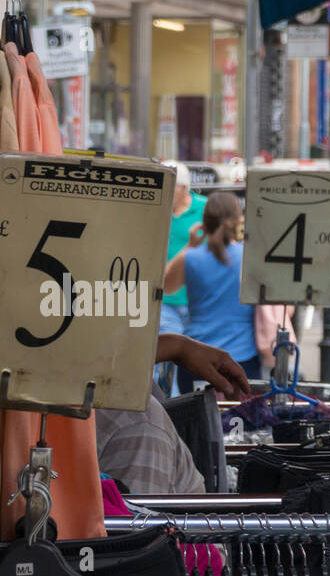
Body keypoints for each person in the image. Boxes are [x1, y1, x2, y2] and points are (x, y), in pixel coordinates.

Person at [96, 334, 252, 495]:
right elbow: (142, 518)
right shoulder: (136, 424)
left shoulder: (136, 420)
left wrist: (178, 347)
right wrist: (177, 347)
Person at [163, 192, 259, 393]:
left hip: (196, 360)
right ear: (237, 222)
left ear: (204, 224)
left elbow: (166, 286)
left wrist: (189, 245)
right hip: (242, 359)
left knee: (199, 424)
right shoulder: (250, 257)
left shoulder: (191, 258)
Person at [157, 161, 206, 395]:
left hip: (197, 301)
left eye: (170, 186)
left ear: (184, 188)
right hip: (165, 301)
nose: (164, 191)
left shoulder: (205, 210)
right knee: (168, 360)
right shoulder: (155, 208)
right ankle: (170, 409)